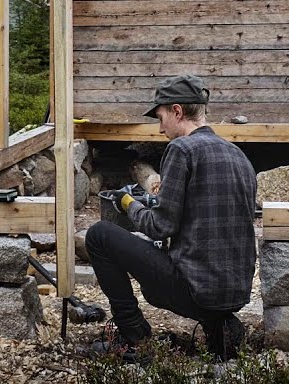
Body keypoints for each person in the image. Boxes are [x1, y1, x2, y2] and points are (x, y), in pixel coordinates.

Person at [85, 74, 257, 360]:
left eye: (161, 117)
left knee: (99, 235)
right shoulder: (237, 154)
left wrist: (129, 204)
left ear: (177, 111)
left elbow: (160, 226)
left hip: (196, 292)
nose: (160, 127)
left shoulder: (181, 149)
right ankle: (219, 326)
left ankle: (134, 339)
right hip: (235, 293)